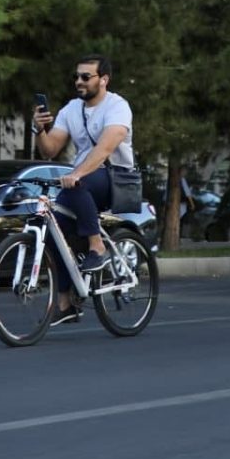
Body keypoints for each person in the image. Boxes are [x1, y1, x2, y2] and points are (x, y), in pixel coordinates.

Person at [33, 54, 135, 326]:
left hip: (115, 176)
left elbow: (106, 148)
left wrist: (77, 173)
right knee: (54, 227)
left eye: (86, 77)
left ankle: (97, 247)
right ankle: (66, 303)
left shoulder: (117, 106)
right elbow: (50, 150)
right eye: (76, 76)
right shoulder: (71, 109)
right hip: (83, 179)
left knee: (78, 184)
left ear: (103, 80)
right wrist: (39, 129)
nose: (79, 81)